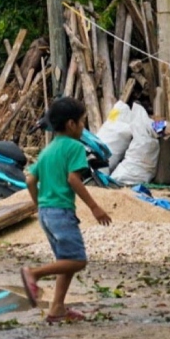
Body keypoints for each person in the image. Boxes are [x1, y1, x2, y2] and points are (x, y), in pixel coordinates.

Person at [19, 97, 112, 323]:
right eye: (82, 122)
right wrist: (95, 207)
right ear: (71, 124)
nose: (83, 127)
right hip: (61, 212)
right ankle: (34, 273)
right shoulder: (74, 147)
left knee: (65, 259)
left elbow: (31, 180)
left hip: (46, 213)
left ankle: (57, 308)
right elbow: (74, 179)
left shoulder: (48, 150)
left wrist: (37, 203)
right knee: (78, 261)